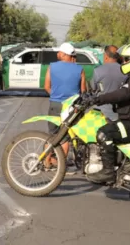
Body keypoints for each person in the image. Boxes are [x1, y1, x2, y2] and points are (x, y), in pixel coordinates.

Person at [86, 42, 130, 184]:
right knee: (112, 129)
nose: (123, 62)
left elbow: (124, 93)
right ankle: (121, 165)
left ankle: (108, 172)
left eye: (126, 59)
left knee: (104, 133)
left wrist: (99, 99)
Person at [44, 42, 87, 173]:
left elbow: (46, 86)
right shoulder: (80, 69)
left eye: (60, 53)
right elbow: (83, 91)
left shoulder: (52, 67)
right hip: (72, 108)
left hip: (55, 105)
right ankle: (61, 164)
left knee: (53, 134)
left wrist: (56, 96)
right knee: (66, 136)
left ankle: (47, 161)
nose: (58, 54)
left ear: (64, 54)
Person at [90, 45, 127, 121]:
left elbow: (93, 89)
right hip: (119, 112)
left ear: (105, 56)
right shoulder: (125, 71)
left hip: (100, 113)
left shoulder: (97, 71)